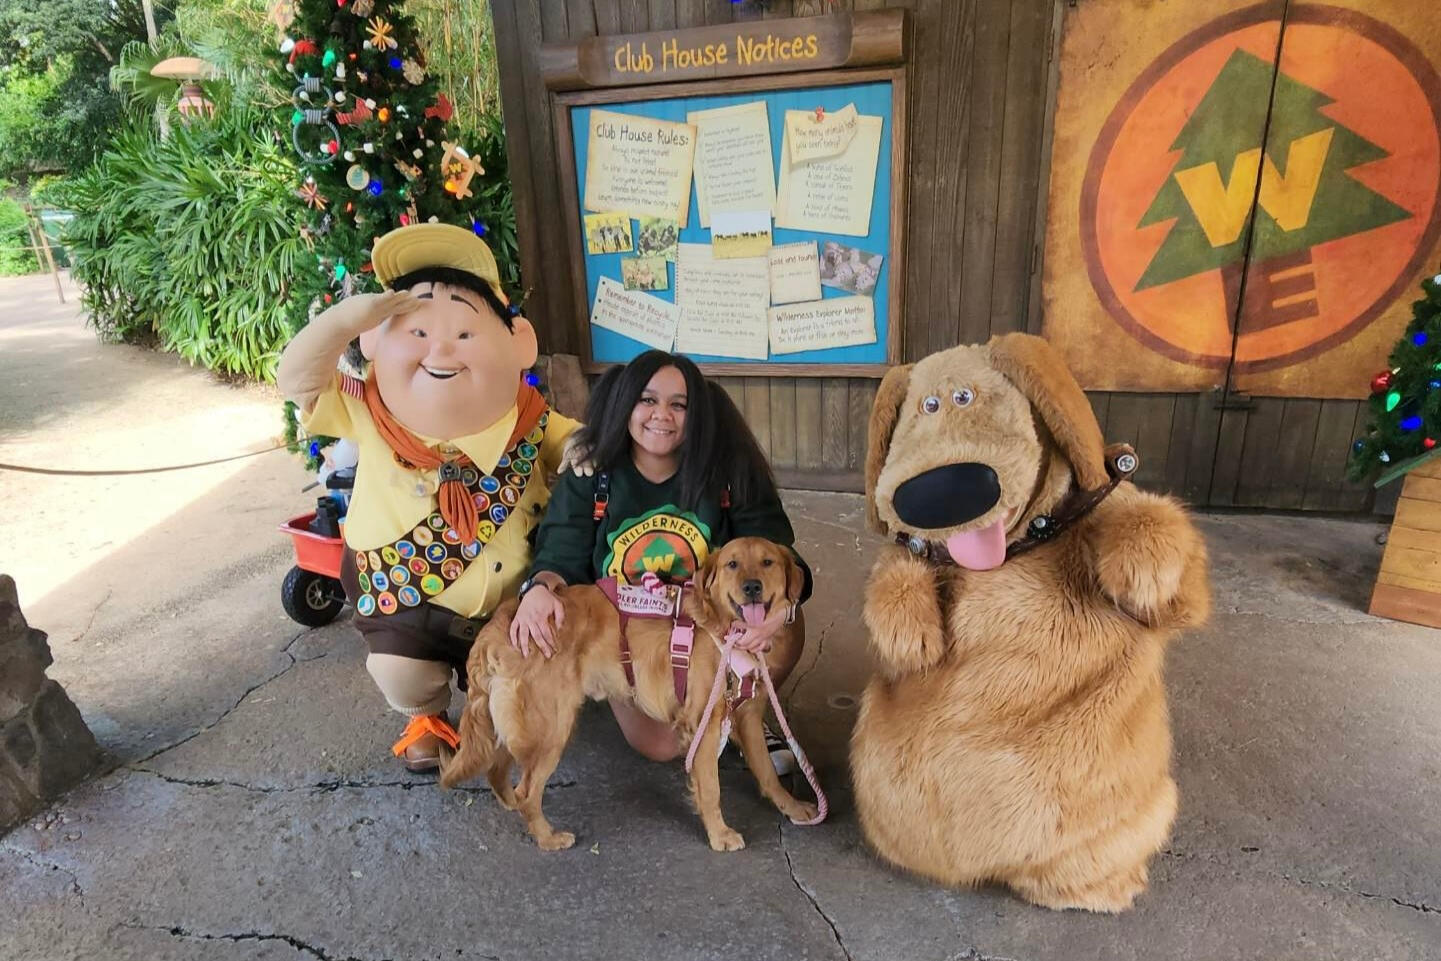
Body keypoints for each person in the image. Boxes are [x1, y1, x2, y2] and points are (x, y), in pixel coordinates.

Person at [276, 222, 579, 773]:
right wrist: (346, 320)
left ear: (520, 345)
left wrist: (594, 448)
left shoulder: (531, 421)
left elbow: (579, 446)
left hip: (513, 608)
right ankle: (426, 715)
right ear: (374, 342)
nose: (441, 347)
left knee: (528, 694)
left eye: (465, 334)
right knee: (402, 671)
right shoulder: (366, 408)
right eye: (416, 332)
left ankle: (500, 708)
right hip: (407, 604)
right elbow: (296, 379)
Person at [509, 350, 811, 768]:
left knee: (786, 624)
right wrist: (540, 587)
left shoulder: (727, 470)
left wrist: (783, 608)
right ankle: (653, 700)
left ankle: (746, 716)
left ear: (697, 414)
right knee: (664, 744)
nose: (661, 415)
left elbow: (778, 553)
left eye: (679, 405)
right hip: (631, 636)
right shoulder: (592, 472)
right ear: (625, 403)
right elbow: (561, 547)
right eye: (647, 400)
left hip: (708, 624)